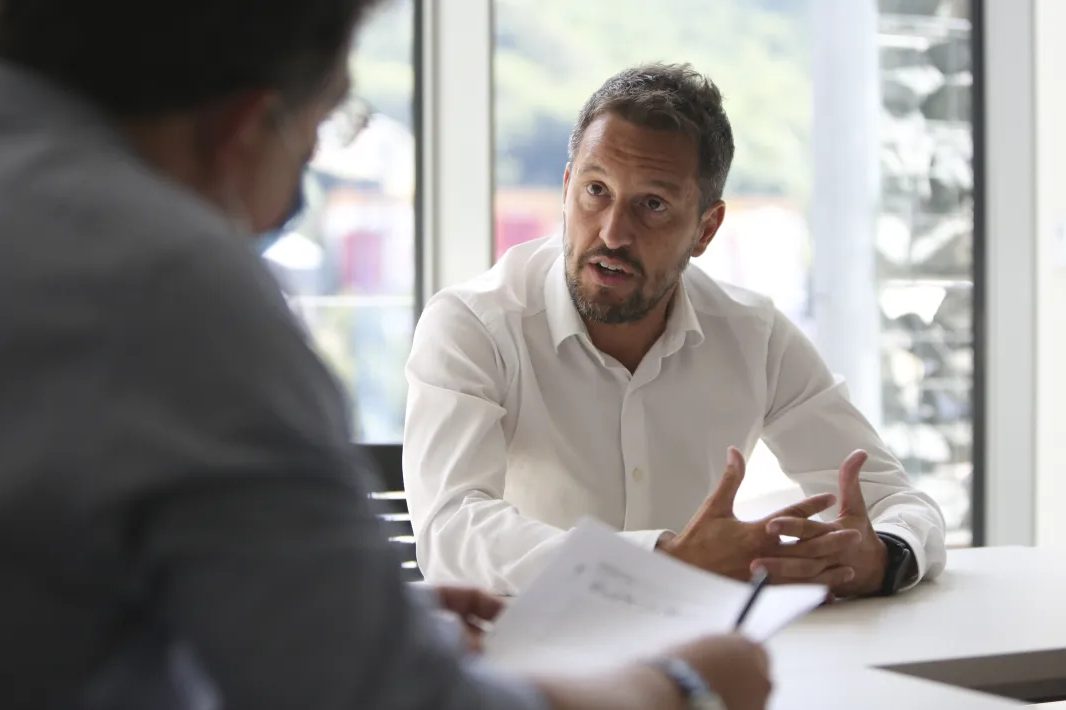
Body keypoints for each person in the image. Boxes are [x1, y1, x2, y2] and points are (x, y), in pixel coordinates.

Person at [0, 3, 771, 710]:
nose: (290, 203)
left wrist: (333, 619)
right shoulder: (175, 284)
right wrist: (682, 687)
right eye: (319, 134)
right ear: (243, 127)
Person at [403, 63, 947, 598]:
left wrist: (882, 556)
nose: (613, 232)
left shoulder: (753, 336)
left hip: (699, 659)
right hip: (529, 664)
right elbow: (449, 531)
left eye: (653, 205)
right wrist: (663, 560)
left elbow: (899, 505)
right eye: (596, 191)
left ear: (706, 229)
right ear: (567, 187)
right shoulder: (474, 326)